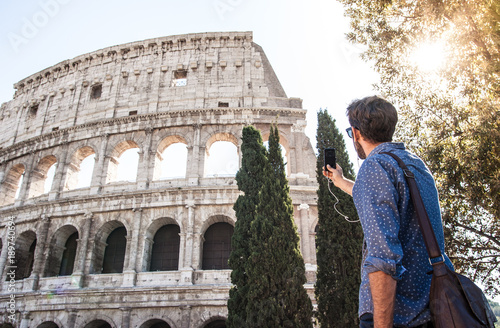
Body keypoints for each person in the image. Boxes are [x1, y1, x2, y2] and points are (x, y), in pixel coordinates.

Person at [324, 96, 453, 328]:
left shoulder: (374, 167)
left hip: (397, 315)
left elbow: (383, 259)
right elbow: (386, 201)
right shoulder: (414, 164)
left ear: (355, 133)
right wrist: (340, 181)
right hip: (432, 307)